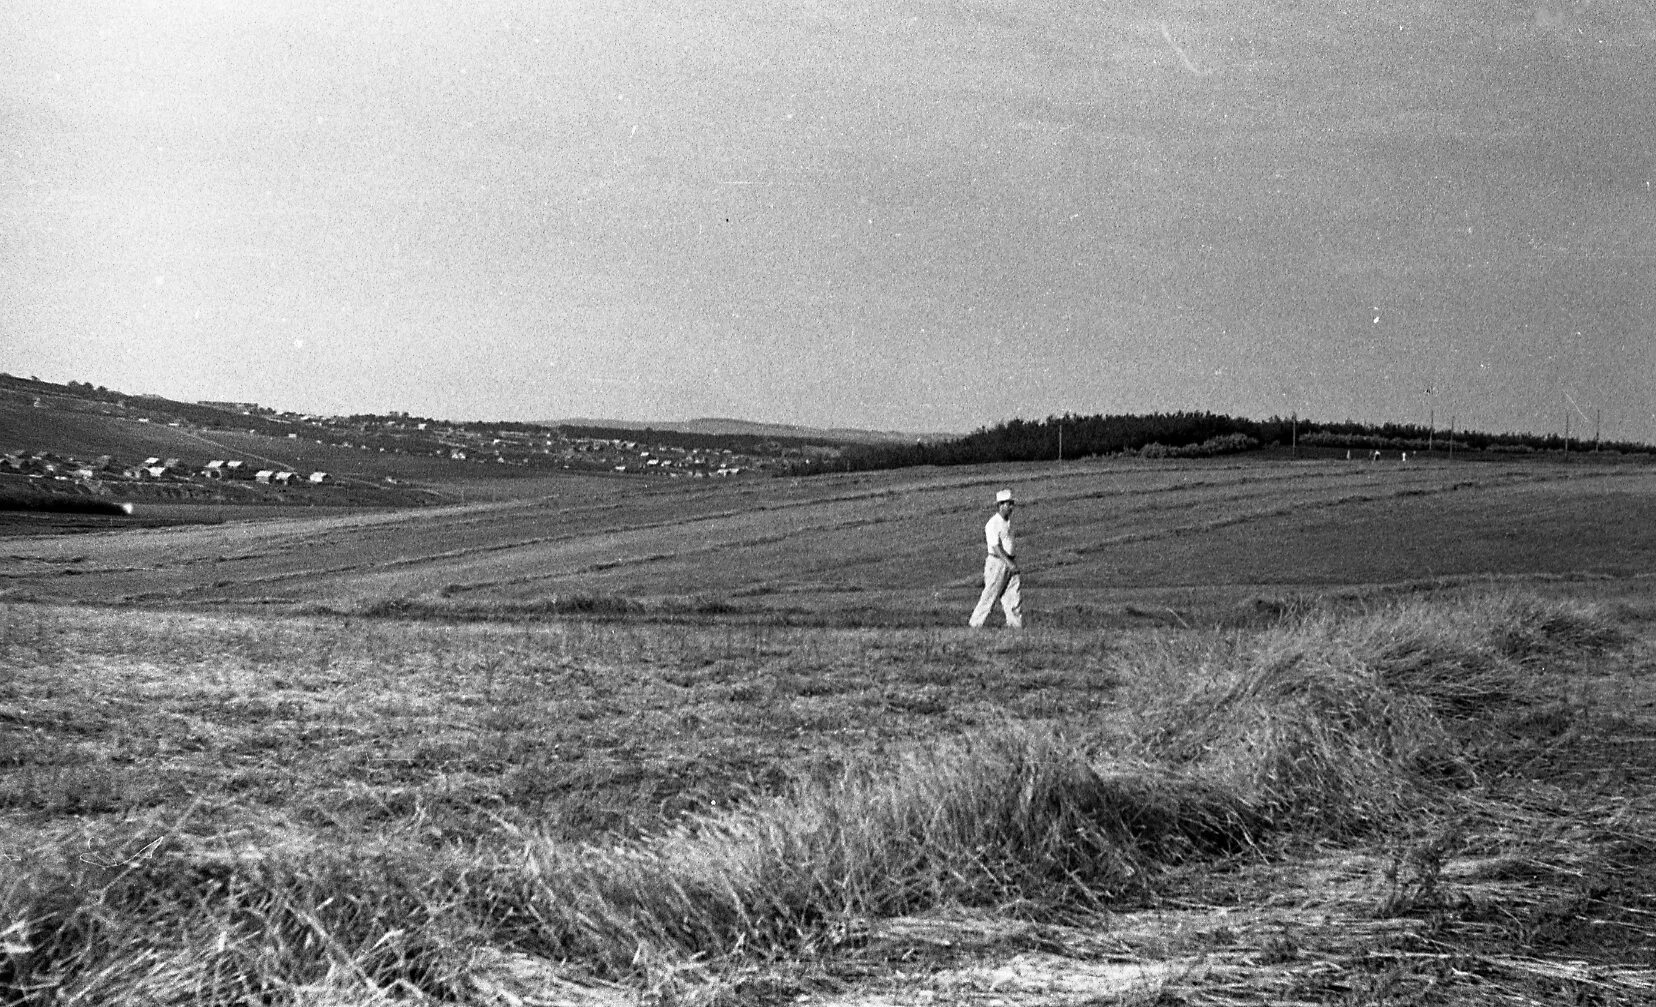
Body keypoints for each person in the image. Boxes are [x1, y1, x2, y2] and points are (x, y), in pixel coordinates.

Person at [969, 488, 1023, 629]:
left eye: (1012, 504)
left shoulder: (1008, 522)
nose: (1011, 507)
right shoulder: (993, 523)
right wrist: (1008, 563)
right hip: (998, 562)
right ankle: (975, 624)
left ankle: (1015, 626)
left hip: (1010, 560)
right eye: (1008, 504)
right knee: (990, 595)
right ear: (1000, 505)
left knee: (1013, 596)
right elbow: (995, 547)